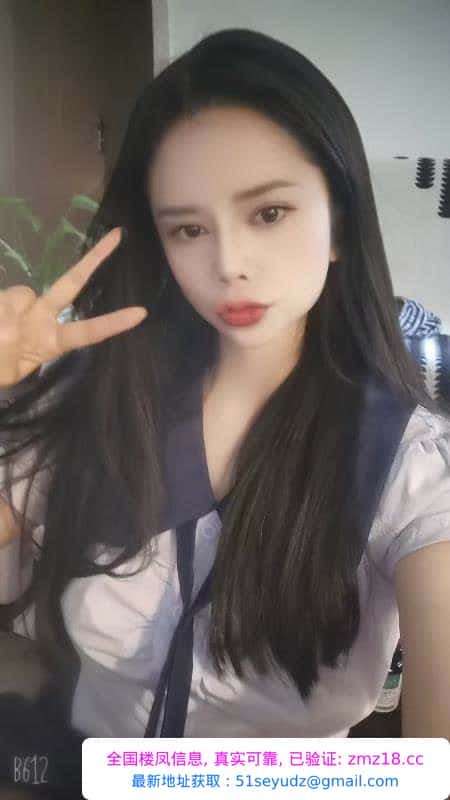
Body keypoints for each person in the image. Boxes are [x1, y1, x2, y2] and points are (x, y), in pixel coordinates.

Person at [0, 26, 450, 788]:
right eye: (188, 228)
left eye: (268, 213)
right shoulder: (96, 399)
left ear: (339, 224)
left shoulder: (408, 464)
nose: (229, 263)